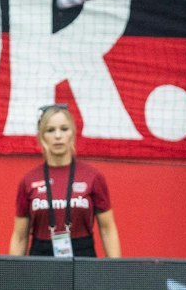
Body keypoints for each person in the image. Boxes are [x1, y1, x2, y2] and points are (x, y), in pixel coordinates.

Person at [9, 103, 120, 258]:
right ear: (42, 135)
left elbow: (107, 229)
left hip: (83, 258)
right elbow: (20, 237)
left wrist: (115, 273)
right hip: (41, 259)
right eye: (50, 130)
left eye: (64, 129)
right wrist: (13, 276)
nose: (58, 136)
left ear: (73, 132)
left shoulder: (93, 177)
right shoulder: (29, 181)